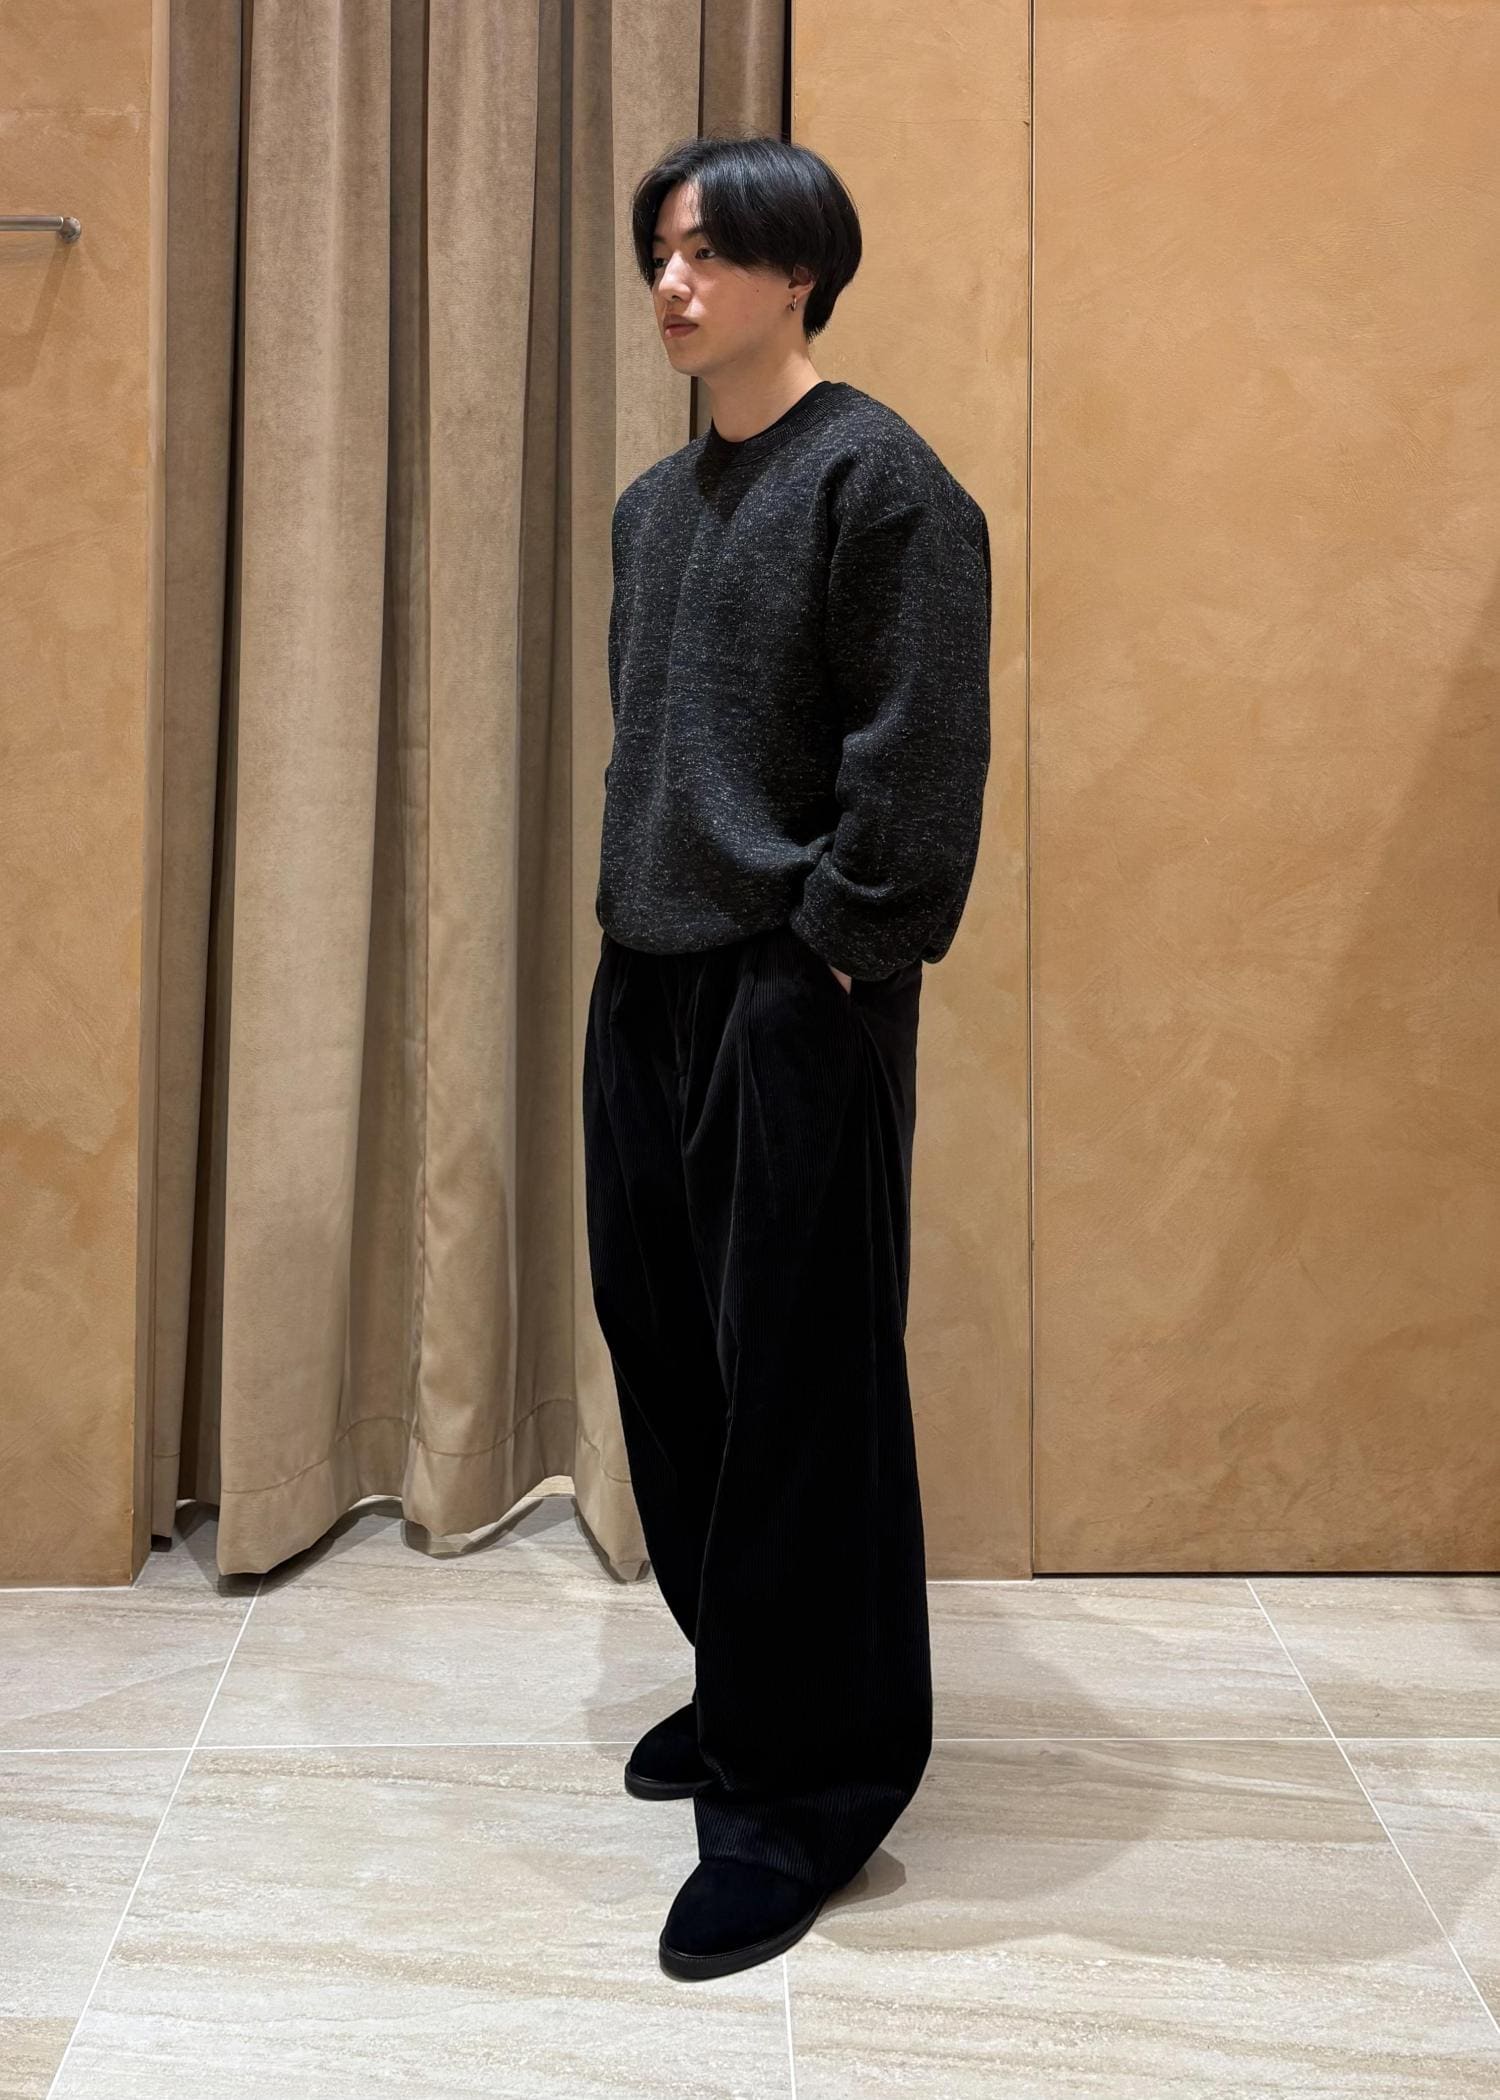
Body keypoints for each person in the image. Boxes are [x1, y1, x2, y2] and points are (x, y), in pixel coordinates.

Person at [581, 131, 992, 1983]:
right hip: (648, 975)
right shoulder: (652, 509)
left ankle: (807, 1792)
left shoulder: (880, 481)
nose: (673, 284)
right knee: (673, 1360)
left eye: (708, 252)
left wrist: (835, 950)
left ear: (799, 269)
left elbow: (921, 753)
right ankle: (748, 1680)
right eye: (659, 253)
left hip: (791, 988)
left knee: (804, 1385)